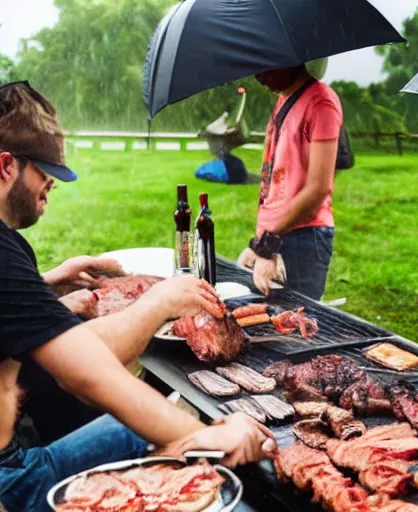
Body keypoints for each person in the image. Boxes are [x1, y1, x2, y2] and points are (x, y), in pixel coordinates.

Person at [0, 81, 274, 511]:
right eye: (44, 174)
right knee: (206, 468)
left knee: (161, 422)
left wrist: (49, 282)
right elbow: (86, 377)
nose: (51, 186)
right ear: (5, 167)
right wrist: (203, 436)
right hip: (15, 481)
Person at [237, 64, 343, 300]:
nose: (259, 76)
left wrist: (266, 244)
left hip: (303, 237)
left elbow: (318, 189)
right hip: (273, 234)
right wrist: (260, 242)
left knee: (297, 328)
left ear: (290, 59)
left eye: (267, 67)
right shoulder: (283, 99)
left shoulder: (321, 102)